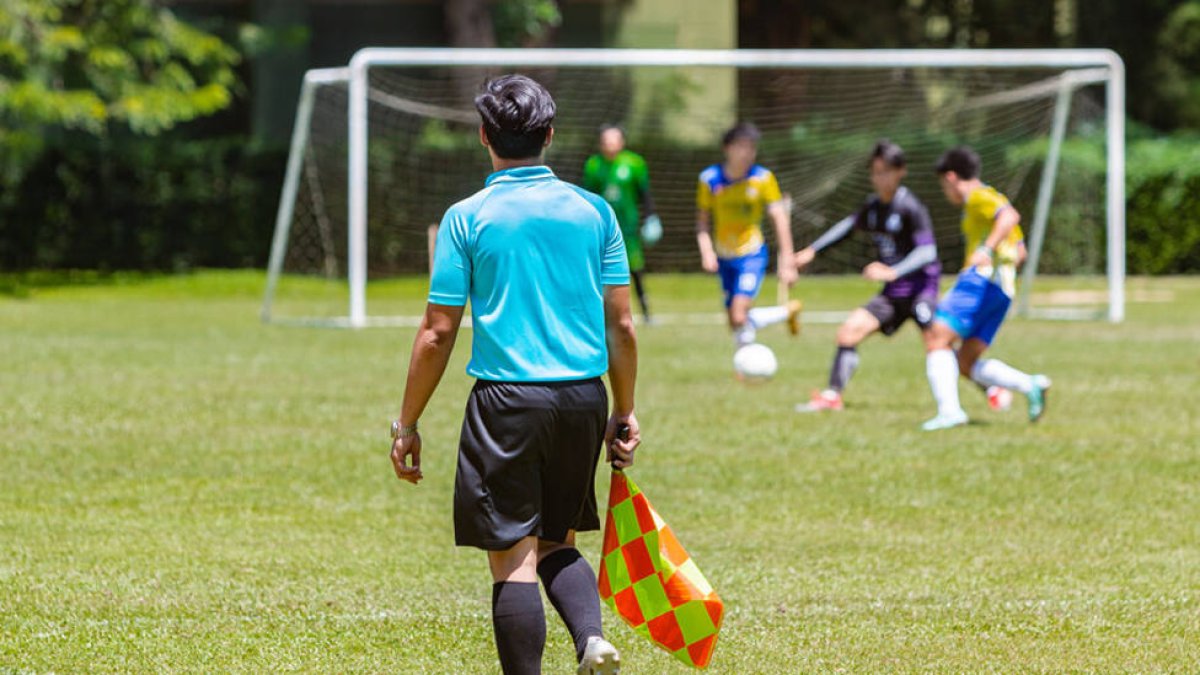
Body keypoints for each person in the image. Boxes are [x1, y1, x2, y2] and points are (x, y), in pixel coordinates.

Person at [388, 74, 640, 675]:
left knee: (512, 559)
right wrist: (622, 411)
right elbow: (622, 325)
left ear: (483, 136)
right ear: (550, 135)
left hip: (507, 403)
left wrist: (407, 422)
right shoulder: (595, 211)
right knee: (558, 541)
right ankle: (590, 638)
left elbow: (437, 331)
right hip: (583, 397)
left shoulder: (467, 217)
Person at [793, 140, 940, 412]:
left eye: (885, 171)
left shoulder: (911, 207)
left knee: (940, 344)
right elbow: (847, 227)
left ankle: (992, 388)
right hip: (892, 295)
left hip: (921, 291)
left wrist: (892, 271)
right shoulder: (873, 207)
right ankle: (832, 396)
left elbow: (927, 252)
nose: (879, 178)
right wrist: (812, 251)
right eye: (875, 172)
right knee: (849, 332)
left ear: (900, 172)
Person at [922, 145, 1051, 431]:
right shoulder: (994, 197)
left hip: (981, 281)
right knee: (966, 362)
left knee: (936, 339)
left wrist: (984, 250)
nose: (946, 191)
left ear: (952, 177)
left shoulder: (978, 197)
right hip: (1003, 289)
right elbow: (1021, 252)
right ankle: (1030, 384)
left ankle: (950, 412)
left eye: (944, 185)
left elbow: (1010, 217)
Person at [695, 122, 801, 349]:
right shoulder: (709, 179)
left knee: (739, 315)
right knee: (733, 322)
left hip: (751, 254)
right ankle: (749, 361)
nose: (747, 153)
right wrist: (706, 251)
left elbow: (780, 219)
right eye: (741, 146)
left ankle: (752, 358)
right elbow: (702, 222)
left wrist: (788, 261)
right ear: (727, 148)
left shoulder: (763, 178)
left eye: (751, 147)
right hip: (724, 255)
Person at [582, 124, 660, 323]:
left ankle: (646, 312)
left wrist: (651, 217)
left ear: (622, 141)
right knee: (599, 271)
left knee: (635, 268)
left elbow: (645, 193)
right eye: (606, 140)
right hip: (602, 229)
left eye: (613, 139)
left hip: (628, 228)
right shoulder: (593, 165)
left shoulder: (634, 163)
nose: (609, 144)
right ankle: (599, 314)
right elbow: (587, 197)